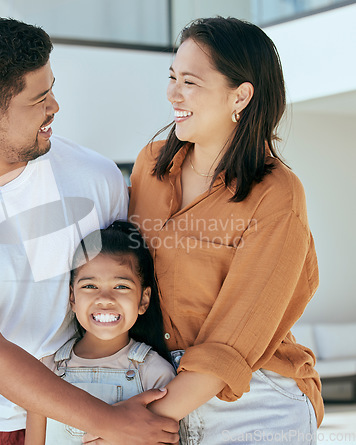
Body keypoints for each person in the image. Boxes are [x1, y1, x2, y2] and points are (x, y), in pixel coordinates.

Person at [0, 16, 179, 445]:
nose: (55, 107)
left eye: (52, 89)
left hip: (82, 411)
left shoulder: (95, 177)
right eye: (39, 98)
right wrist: (108, 421)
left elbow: (130, 285)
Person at [126, 16, 323, 444]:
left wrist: (127, 426)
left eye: (190, 82)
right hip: (153, 387)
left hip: (251, 401)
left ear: (241, 95)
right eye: (172, 77)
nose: (172, 93)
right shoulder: (151, 164)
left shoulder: (277, 194)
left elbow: (234, 341)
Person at [25, 221, 177, 444]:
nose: (105, 298)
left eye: (121, 286)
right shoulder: (45, 370)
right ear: (72, 298)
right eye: (89, 286)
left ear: (143, 300)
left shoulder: (155, 373)